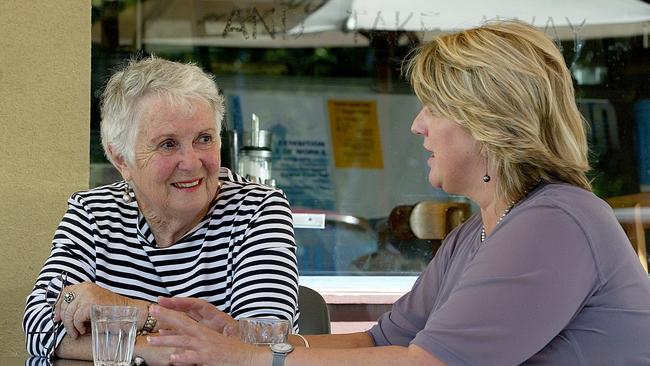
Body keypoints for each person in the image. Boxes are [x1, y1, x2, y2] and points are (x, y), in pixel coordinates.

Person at [147, 20, 650, 365]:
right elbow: (377, 341)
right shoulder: (482, 230)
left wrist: (245, 358)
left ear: (487, 122)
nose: (417, 125)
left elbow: (424, 363)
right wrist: (246, 337)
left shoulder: (554, 223)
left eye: (432, 106)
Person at [22, 56, 299, 363]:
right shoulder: (92, 213)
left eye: (204, 139)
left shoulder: (257, 210)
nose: (192, 162)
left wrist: (130, 312)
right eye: (168, 144)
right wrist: (143, 349)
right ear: (121, 160)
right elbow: (39, 329)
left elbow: (264, 343)